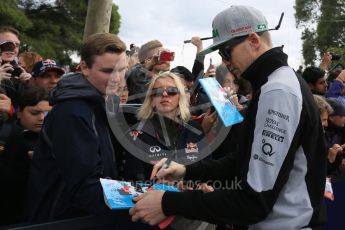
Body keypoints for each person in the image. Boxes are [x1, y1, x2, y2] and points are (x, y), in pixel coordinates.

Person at [129, 5, 326, 229]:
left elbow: (253, 202)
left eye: (225, 51)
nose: (225, 61)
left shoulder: (277, 90)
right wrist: (187, 171)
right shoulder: (274, 83)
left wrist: (167, 202)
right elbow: (244, 159)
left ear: (253, 40)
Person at [25, 33, 128, 223]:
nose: (117, 78)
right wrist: (141, 203)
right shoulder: (72, 112)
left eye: (122, 70)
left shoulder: (96, 105)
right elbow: (87, 188)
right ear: (84, 68)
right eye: (107, 70)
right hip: (62, 220)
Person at [0, 87, 51, 226]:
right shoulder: (5, 136)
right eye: (34, 113)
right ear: (19, 113)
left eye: (47, 113)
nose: (41, 118)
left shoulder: (58, 139)